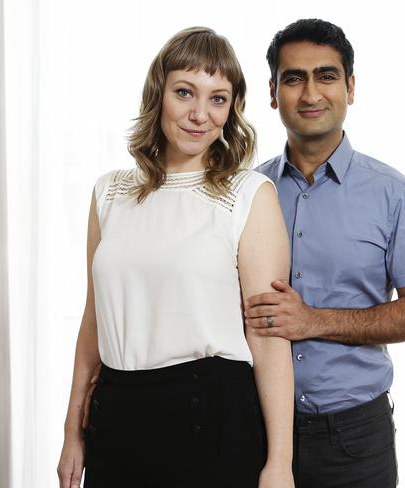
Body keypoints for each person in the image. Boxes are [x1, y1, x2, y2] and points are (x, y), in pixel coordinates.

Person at [57, 27, 295, 488]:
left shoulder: (249, 194)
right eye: (185, 92)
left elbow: (268, 337)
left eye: (218, 99)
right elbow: (94, 321)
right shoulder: (109, 192)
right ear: (158, 94)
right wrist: (73, 432)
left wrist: (279, 463)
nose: (199, 114)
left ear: (232, 110)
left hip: (211, 413)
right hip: (118, 412)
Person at [245, 19, 405, 488]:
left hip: (354, 439)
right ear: (273, 93)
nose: (311, 93)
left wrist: (312, 320)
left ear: (350, 88)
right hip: (254, 429)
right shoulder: (248, 193)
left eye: (326, 76)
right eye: (294, 78)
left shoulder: (393, 193)